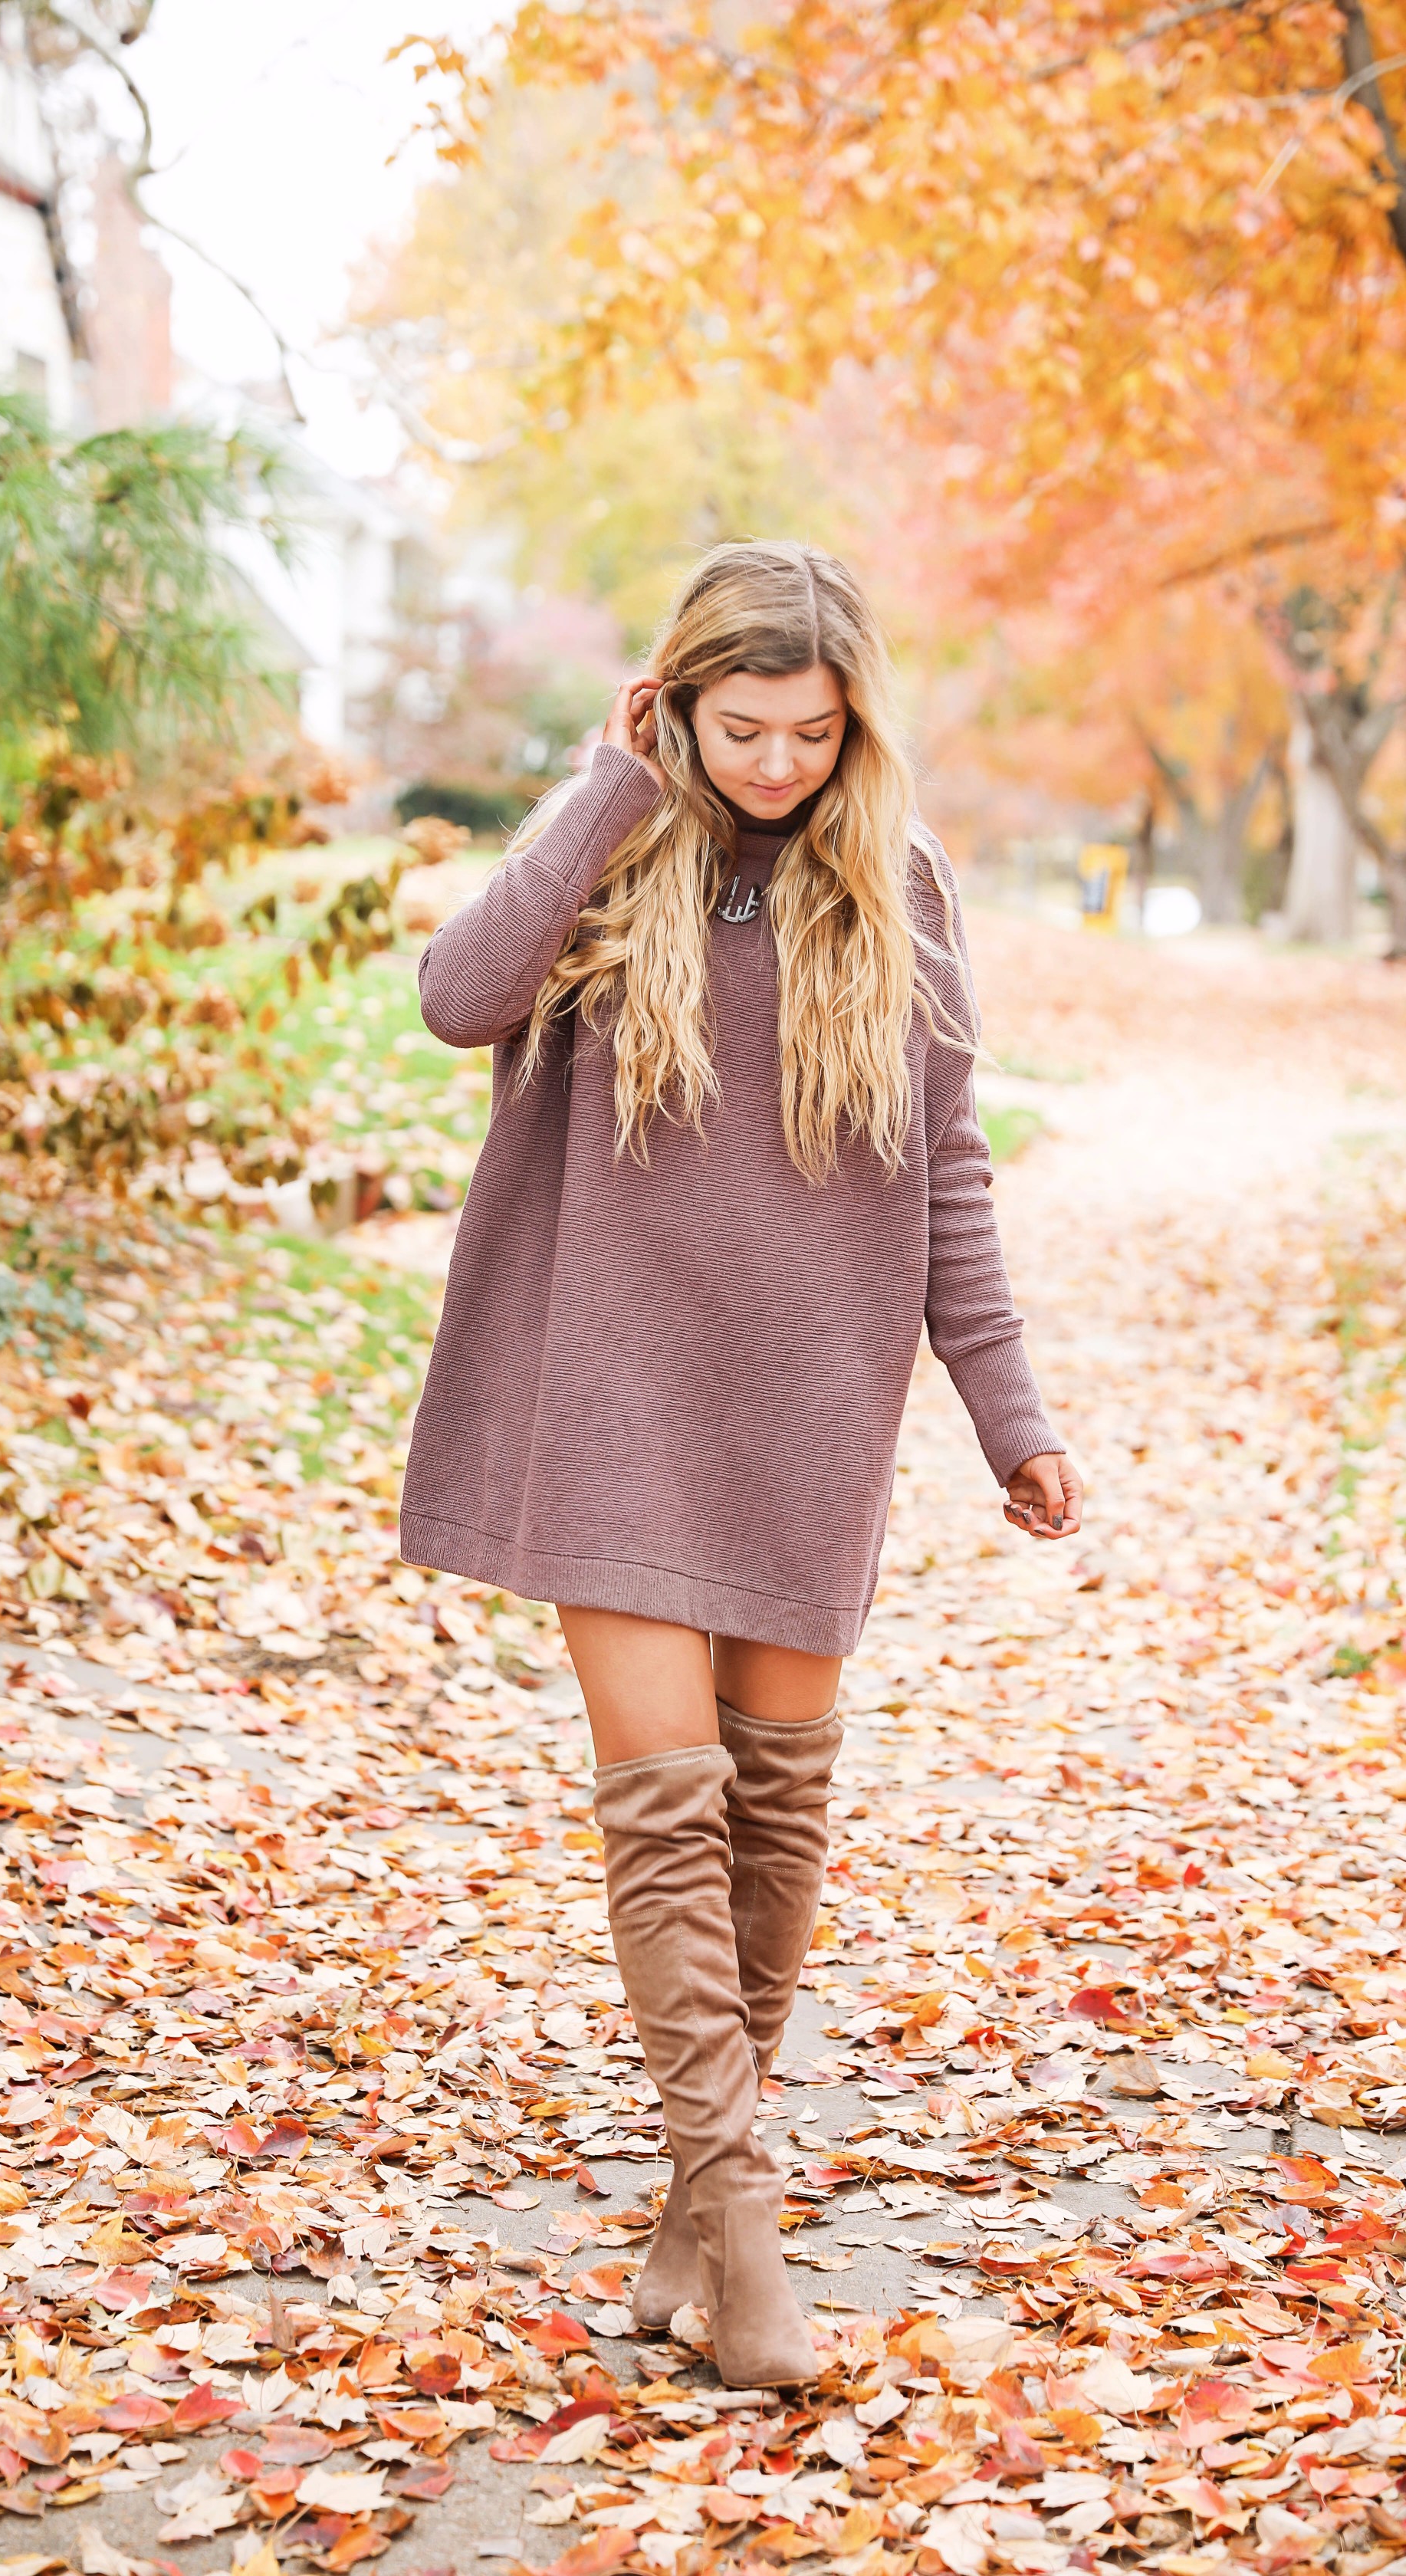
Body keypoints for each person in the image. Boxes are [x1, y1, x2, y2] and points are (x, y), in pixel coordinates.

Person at [399, 540, 1080, 2387]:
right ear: (676, 704)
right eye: (736, 725)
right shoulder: (614, 847)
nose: (774, 761)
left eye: (809, 728)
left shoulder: (901, 893)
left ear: (853, 721)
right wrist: (612, 784)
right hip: (607, 1392)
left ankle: (691, 2209)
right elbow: (459, 999)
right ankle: (751, 2236)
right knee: (667, 1809)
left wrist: (1006, 1411)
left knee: (776, 1816)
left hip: (806, 1400)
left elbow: (948, 1171)